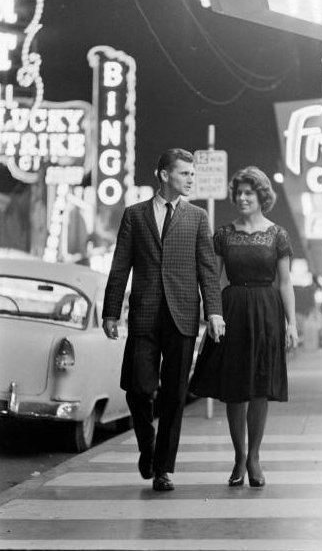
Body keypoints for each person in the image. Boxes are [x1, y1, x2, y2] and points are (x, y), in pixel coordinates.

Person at [102, 148, 224, 491]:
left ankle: (163, 469)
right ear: (164, 174)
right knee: (138, 388)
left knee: (173, 394)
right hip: (143, 313)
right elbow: (119, 266)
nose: (190, 179)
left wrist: (213, 311)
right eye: (184, 173)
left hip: (183, 314)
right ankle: (148, 445)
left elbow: (207, 270)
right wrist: (111, 311)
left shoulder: (197, 217)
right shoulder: (134, 215)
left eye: (192, 174)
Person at [190, 166, 298, 488]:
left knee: (260, 387)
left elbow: (286, 281)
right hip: (233, 309)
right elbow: (212, 277)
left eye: (249, 193)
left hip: (267, 311)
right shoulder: (223, 234)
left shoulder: (277, 234)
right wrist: (212, 313)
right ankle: (239, 455)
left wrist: (291, 323)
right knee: (235, 389)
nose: (242, 198)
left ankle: (255, 457)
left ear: (262, 196)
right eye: (239, 193)